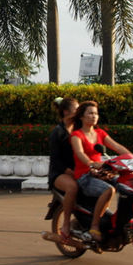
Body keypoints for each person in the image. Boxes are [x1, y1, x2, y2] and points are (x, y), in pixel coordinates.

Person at [69, 101, 132, 241]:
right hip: (85, 176)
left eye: (96, 113)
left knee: (127, 186)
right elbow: (79, 153)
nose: (94, 116)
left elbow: (117, 147)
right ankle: (95, 225)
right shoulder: (76, 135)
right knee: (109, 190)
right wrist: (91, 163)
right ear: (81, 117)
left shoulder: (100, 133)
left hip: (100, 174)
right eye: (90, 113)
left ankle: (120, 221)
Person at [48, 97, 79, 239]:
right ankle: (66, 224)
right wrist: (70, 172)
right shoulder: (57, 132)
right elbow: (55, 160)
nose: (80, 113)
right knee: (72, 187)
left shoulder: (79, 128)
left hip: (78, 170)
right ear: (66, 112)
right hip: (59, 173)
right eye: (76, 110)